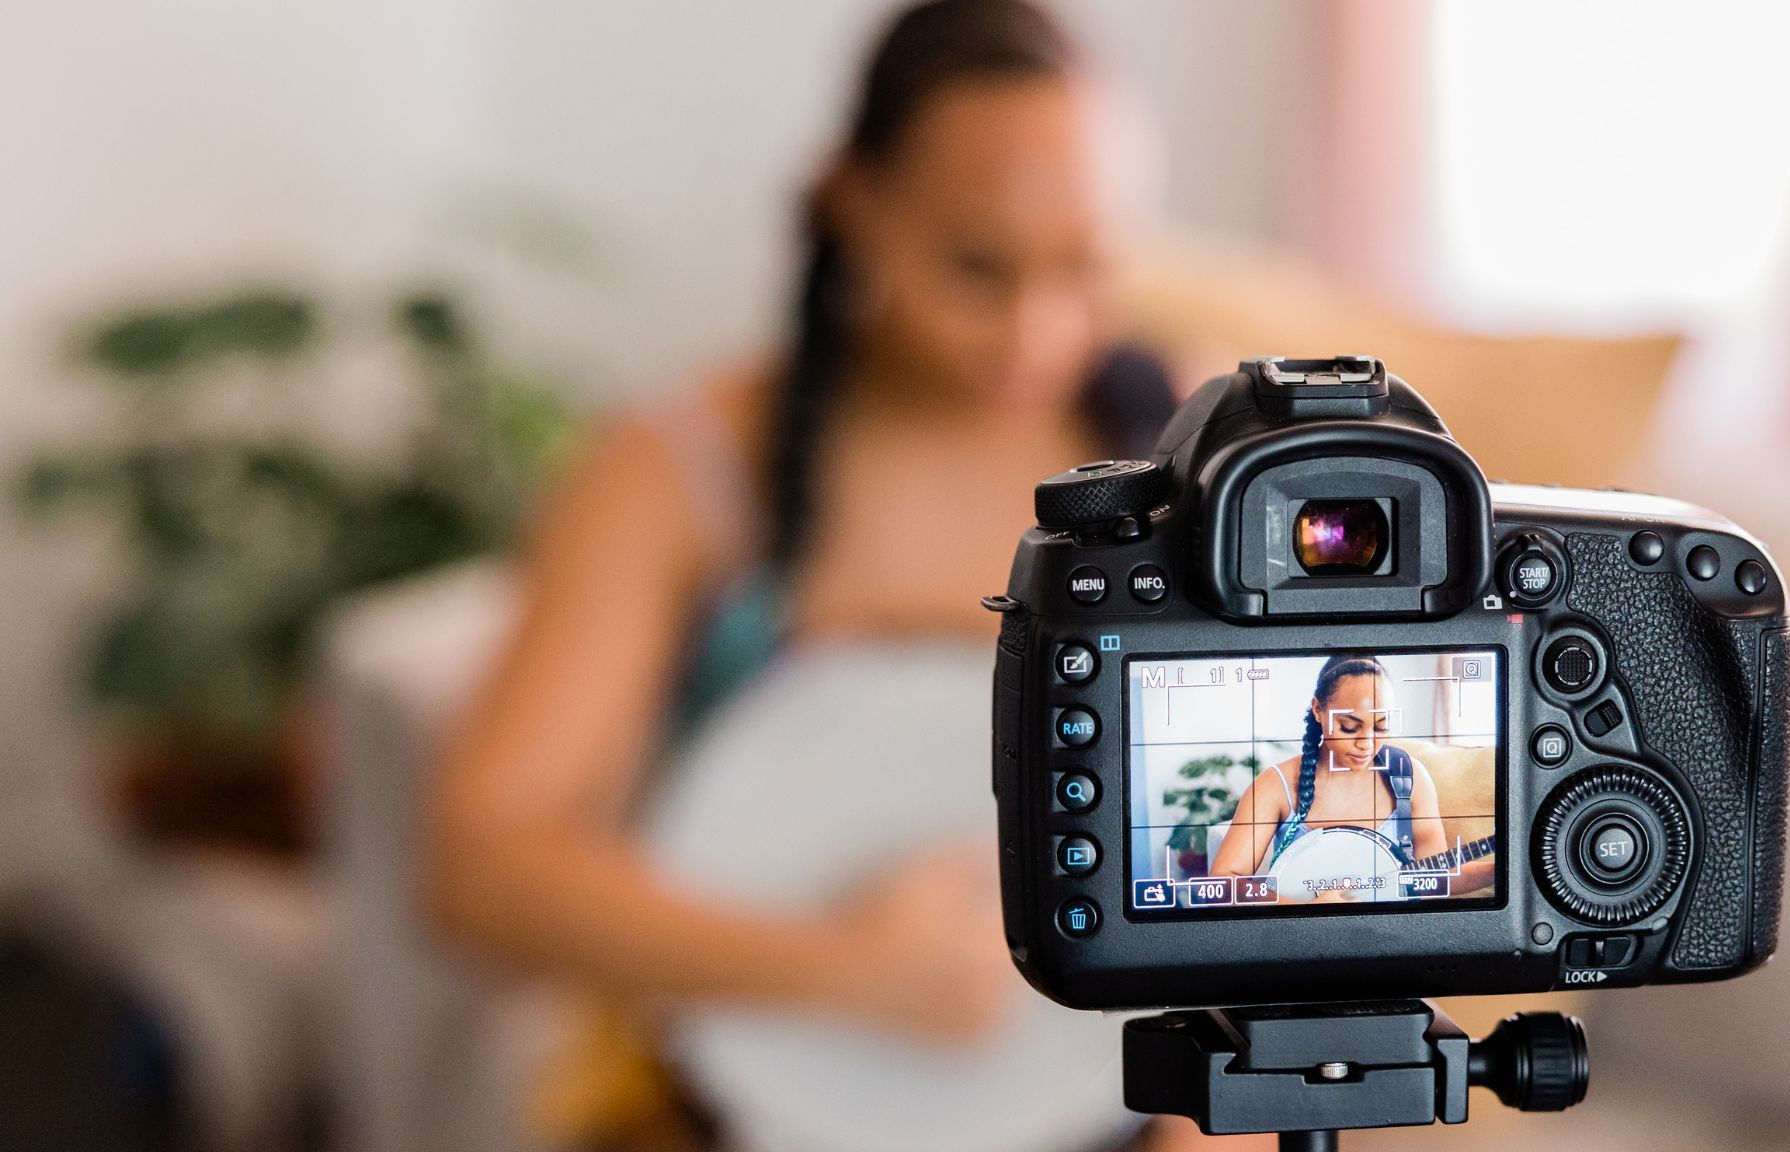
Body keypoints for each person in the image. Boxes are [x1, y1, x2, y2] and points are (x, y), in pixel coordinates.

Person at [427, 2, 1252, 1148]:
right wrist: (840, 972)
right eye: (977, 266)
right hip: (746, 1108)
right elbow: (483, 868)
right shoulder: (678, 475)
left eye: (1086, 266)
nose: (1035, 329)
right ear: (850, 205)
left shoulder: (1199, 448)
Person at [1210, 655, 1496, 901]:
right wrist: (1303, 910)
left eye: (1381, 727)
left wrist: (1500, 869)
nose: (1367, 744)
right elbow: (1222, 884)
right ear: (1318, 710)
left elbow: (1434, 880)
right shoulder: (1276, 785)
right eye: (1350, 727)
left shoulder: (1409, 776)